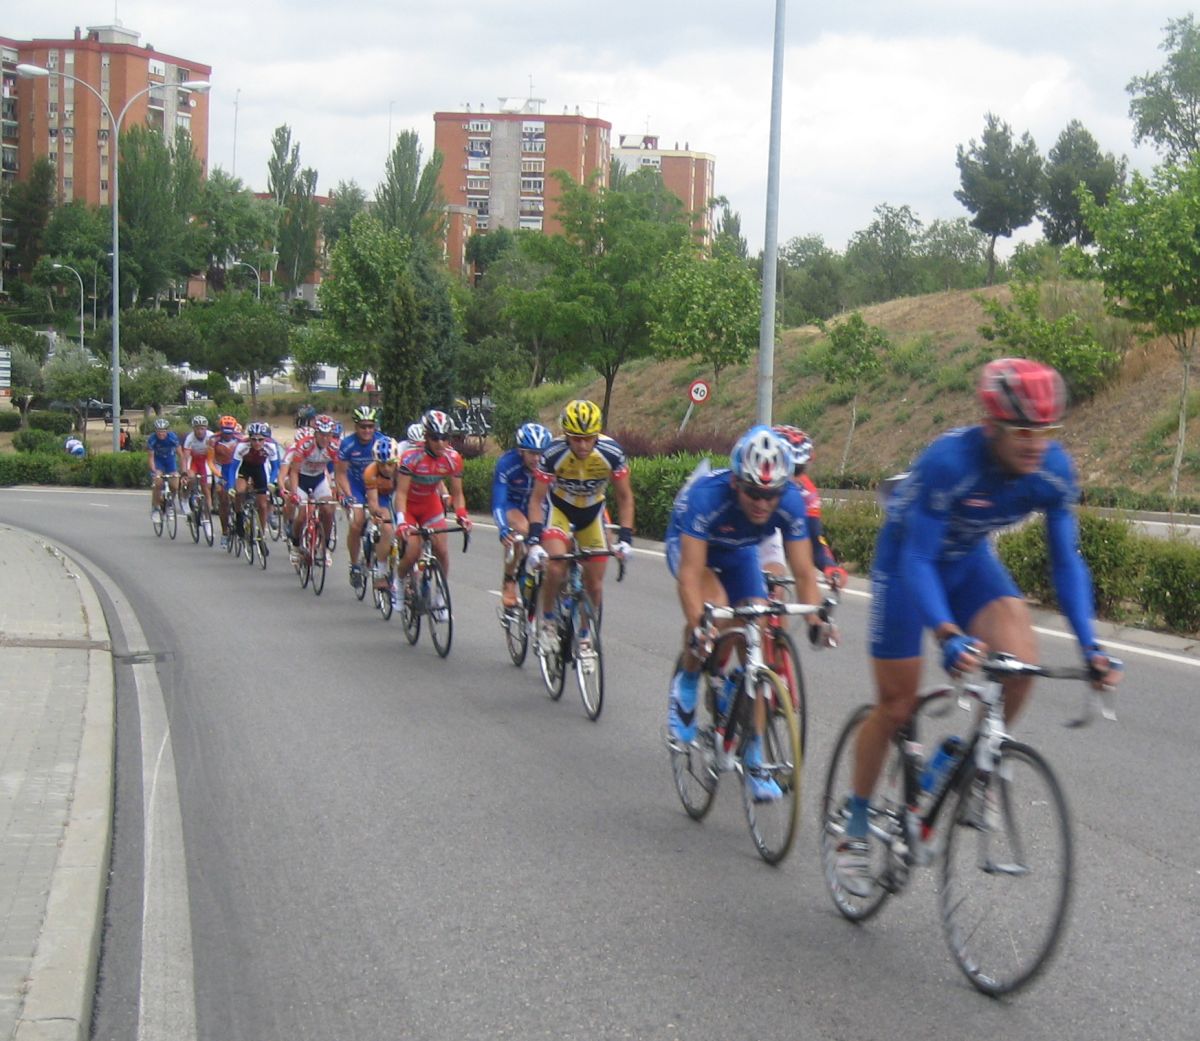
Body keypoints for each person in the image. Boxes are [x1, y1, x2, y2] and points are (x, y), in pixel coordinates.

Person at [833, 357, 1124, 896]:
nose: (1036, 444)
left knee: (1021, 663)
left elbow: (1066, 563)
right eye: (1022, 432)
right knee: (896, 705)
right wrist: (947, 635)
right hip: (907, 565)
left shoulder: (1054, 471)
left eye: (1046, 431)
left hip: (968, 563)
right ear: (992, 426)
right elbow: (919, 558)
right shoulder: (950, 462)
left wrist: (1092, 648)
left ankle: (971, 761)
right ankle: (854, 824)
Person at [666, 425, 835, 802]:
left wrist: (815, 620)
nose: (762, 503)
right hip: (694, 546)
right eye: (754, 493)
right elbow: (690, 576)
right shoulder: (707, 497)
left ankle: (754, 758)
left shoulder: (790, 501)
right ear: (736, 483)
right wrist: (699, 627)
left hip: (740, 551)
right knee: (716, 610)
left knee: (758, 636)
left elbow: (804, 572)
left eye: (770, 495)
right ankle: (687, 683)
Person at [525, 400, 635, 654]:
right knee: (555, 566)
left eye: (588, 438)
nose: (583, 445)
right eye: (576, 439)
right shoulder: (553, 453)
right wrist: (533, 541)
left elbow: (625, 498)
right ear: (566, 435)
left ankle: (585, 636)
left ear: (597, 434)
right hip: (560, 511)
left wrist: (626, 538)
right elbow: (536, 500)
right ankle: (548, 622)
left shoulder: (612, 453)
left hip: (592, 513)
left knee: (594, 584)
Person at [393, 410, 472, 622]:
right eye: (435, 438)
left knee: (442, 550)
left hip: (430, 505)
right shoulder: (411, 457)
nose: (440, 443)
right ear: (426, 437)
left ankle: (439, 597)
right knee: (412, 551)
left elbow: (457, 494)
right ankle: (398, 581)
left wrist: (462, 515)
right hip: (408, 506)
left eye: (445, 437)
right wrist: (401, 522)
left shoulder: (453, 458)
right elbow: (401, 493)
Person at [760, 425, 848, 589]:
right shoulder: (750, 480)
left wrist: (830, 566)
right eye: (788, 468)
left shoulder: (807, 492)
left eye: (799, 470)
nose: (795, 478)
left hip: (769, 538)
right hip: (737, 535)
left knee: (775, 583)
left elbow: (814, 539)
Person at [491, 422, 553, 609]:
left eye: (541, 453)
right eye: (532, 453)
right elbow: (498, 503)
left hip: (539, 507)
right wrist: (503, 529)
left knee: (551, 542)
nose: (537, 458)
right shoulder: (506, 464)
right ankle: (509, 581)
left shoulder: (551, 465)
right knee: (520, 533)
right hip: (513, 505)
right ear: (521, 451)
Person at [335, 405, 389, 588]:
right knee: (356, 523)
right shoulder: (348, 444)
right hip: (356, 486)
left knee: (386, 524)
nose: (367, 430)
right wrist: (349, 496)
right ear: (356, 426)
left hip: (378, 486)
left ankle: (381, 565)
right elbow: (341, 474)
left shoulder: (381, 441)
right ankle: (355, 565)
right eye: (363, 426)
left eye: (370, 426)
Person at [282, 414, 340, 565]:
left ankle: (324, 548)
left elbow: (338, 472)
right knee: (302, 516)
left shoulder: (334, 447)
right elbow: (294, 472)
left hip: (319, 480)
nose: (325, 438)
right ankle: (295, 546)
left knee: (328, 511)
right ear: (315, 433)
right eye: (321, 434)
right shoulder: (304, 445)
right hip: (301, 479)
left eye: (328, 435)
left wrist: (338, 490)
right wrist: (294, 493)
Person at [232, 421, 279, 551]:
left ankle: (261, 536)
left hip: (259, 469)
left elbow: (275, 467)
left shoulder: (271, 446)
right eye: (254, 439)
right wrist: (231, 486)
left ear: (265, 439)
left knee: (263, 505)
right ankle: (239, 516)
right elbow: (233, 468)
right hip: (244, 468)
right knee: (239, 491)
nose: (257, 443)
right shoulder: (242, 446)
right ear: (249, 439)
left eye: (260, 439)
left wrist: (271, 482)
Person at [363, 437, 401, 591]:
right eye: (382, 464)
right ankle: (381, 572)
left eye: (390, 464)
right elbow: (373, 503)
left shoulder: (403, 469)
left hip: (396, 495)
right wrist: (378, 514)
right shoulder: (370, 472)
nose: (386, 468)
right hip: (380, 498)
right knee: (386, 528)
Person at [209, 416, 244, 548]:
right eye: (225, 432)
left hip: (236, 467)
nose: (228, 435)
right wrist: (218, 475)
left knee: (240, 491)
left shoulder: (241, 439)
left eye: (230, 432)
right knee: (222, 497)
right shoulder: (213, 440)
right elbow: (210, 461)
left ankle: (240, 515)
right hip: (220, 467)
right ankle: (224, 532)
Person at [182, 415, 216, 538]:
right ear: (193, 429)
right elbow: (185, 457)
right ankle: (185, 498)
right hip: (194, 460)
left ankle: (207, 519)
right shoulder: (190, 438)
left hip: (206, 461)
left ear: (206, 428)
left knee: (207, 488)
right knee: (190, 478)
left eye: (202, 428)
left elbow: (215, 454)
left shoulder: (211, 436)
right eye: (197, 428)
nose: (200, 431)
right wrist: (184, 472)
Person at [147, 418, 183, 523]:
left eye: (163, 431)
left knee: (175, 486)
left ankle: (170, 504)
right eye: (158, 431)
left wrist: (181, 471)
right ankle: (155, 508)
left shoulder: (172, 437)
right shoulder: (152, 439)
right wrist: (154, 471)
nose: (161, 433)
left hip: (170, 461)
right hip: (158, 462)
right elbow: (150, 458)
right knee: (157, 483)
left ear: (167, 431)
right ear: (155, 431)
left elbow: (180, 455)